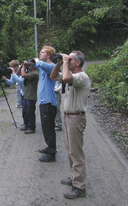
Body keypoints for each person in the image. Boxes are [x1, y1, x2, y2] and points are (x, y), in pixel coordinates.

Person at [50, 51, 91, 199]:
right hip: (68, 118)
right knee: (70, 150)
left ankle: (80, 187)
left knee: (76, 153)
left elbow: (66, 77)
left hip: (76, 119)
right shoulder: (72, 76)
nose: (69, 61)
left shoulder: (81, 77)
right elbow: (53, 76)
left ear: (78, 63)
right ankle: (74, 176)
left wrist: (65, 62)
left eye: (71, 59)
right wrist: (60, 62)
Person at [33, 46, 57, 162]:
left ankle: (52, 153)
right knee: (45, 126)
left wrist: (37, 61)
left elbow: (46, 67)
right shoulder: (42, 67)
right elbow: (35, 65)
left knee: (48, 128)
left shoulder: (52, 66)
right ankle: (49, 147)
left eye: (42, 53)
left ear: (48, 55)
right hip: (43, 101)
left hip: (49, 101)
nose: (40, 54)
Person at [19, 60, 39, 134]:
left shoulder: (35, 74)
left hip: (31, 97)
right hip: (26, 96)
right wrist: (21, 66)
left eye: (29, 65)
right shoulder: (29, 73)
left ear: (33, 66)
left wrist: (24, 67)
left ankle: (32, 127)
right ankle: (27, 125)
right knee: (25, 112)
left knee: (30, 113)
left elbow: (23, 75)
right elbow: (18, 73)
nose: (28, 67)